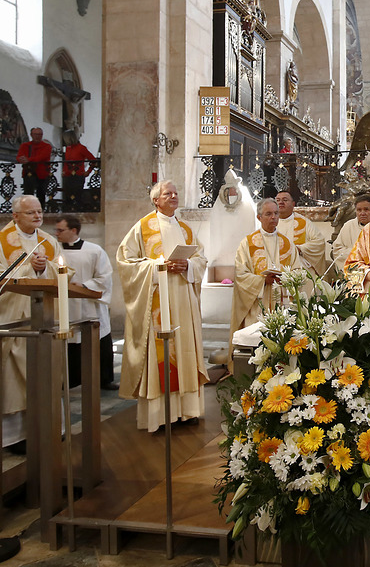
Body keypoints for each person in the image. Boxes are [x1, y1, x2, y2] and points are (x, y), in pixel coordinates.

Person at [116, 180, 209, 432]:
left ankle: (188, 411)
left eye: (176, 193)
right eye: (168, 194)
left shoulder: (186, 229)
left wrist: (188, 266)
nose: (173, 196)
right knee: (161, 353)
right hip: (157, 298)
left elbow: (201, 259)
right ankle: (159, 415)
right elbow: (126, 263)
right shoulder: (142, 227)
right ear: (155, 200)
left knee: (185, 349)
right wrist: (157, 266)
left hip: (183, 300)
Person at [0, 195, 61, 450]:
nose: (38, 216)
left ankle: (48, 428)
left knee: (44, 373)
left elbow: (64, 272)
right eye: (30, 212)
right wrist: (30, 269)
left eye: (39, 211)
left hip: (43, 315)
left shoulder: (49, 241)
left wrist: (43, 269)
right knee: (12, 380)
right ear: (15, 216)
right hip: (12, 319)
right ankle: (15, 437)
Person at [55, 215, 117, 391]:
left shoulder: (94, 250)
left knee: (99, 340)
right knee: (70, 342)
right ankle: (69, 380)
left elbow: (105, 277)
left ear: (73, 230)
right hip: (65, 305)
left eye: (61, 230)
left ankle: (103, 379)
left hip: (90, 304)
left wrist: (84, 286)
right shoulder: (54, 252)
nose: (57, 233)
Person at [230, 198, 298, 348]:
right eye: (268, 214)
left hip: (281, 302)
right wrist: (262, 280)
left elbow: (297, 271)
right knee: (257, 347)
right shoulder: (247, 244)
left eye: (276, 213)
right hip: (257, 306)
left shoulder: (288, 244)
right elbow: (240, 274)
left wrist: (286, 278)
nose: (273, 217)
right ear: (259, 217)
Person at [275, 191, 328, 276]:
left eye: (285, 200)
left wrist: (300, 249)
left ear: (293, 204)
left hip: (298, 263)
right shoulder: (270, 223)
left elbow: (319, 242)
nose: (280, 202)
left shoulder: (303, 223)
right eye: (277, 200)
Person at [331, 195, 370, 270]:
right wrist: (356, 253)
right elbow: (337, 250)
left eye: (366, 209)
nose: (362, 213)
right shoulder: (348, 226)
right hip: (354, 272)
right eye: (359, 210)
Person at [16, 127, 53, 206]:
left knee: (41, 194)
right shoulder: (25, 145)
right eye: (36, 134)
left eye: (39, 134)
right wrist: (22, 159)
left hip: (42, 173)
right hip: (28, 172)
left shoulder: (47, 146)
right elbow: (19, 156)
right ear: (31, 135)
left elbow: (42, 157)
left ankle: (40, 210)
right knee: (28, 194)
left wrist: (29, 160)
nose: (37, 136)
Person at [61, 130, 96, 211]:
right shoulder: (68, 148)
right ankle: (68, 212)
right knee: (68, 196)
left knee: (77, 195)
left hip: (78, 175)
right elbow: (66, 162)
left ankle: (78, 211)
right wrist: (64, 171)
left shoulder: (81, 148)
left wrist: (88, 171)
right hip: (68, 176)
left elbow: (93, 160)